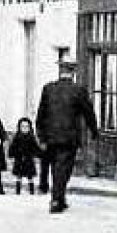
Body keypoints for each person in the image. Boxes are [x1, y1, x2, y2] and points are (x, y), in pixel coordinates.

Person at [36, 57, 98, 214]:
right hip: (69, 137)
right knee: (64, 168)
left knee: (55, 168)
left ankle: (60, 198)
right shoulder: (79, 90)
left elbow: (40, 115)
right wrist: (94, 131)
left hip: (50, 137)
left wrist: (41, 136)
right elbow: (88, 113)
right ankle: (56, 200)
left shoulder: (48, 88)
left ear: (60, 70)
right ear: (73, 72)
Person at [7, 117, 42, 195]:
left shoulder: (31, 137)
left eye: (27, 127)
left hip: (29, 160)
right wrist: (11, 155)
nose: (25, 128)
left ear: (30, 128)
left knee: (30, 177)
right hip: (19, 159)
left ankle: (32, 192)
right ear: (19, 127)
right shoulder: (17, 137)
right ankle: (18, 192)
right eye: (23, 126)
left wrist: (39, 154)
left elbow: (35, 147)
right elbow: (12, 147)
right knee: (18, 176)